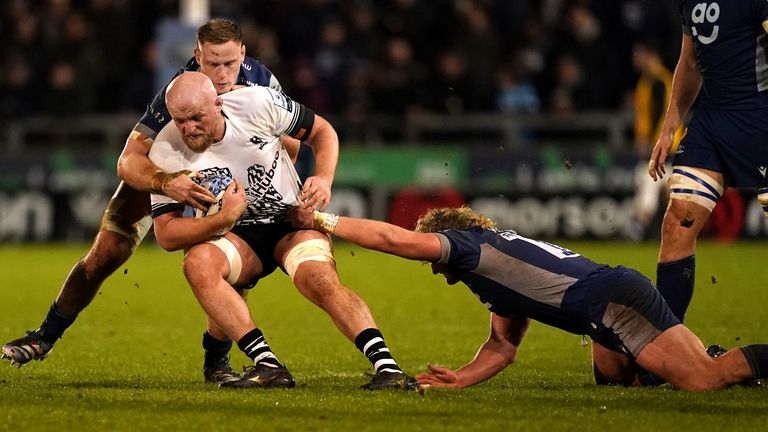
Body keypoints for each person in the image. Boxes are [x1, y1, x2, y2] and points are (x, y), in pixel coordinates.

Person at [1, 19, 291, 385]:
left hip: (233, 172)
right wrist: (168, 183)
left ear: (243, 54)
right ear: (196, 55)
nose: (220, 74)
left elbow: (291, 140)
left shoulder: (263, 82)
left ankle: (216, 362)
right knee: (107, 250)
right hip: (173, 169)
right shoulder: (178, 90)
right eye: (211, 63)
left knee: (229, 267)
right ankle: (45, 336)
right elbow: (128, 161)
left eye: (228, 64)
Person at [288, 205, 768, 391]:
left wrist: (320, 221)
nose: (435, 269)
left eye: (434, 258)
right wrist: (460, 379)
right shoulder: (490, 273)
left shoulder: (470, 247)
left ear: (446, 241)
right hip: (603, 307)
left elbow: (394, 241)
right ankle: (696, 353)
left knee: (702, 381)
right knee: (618, 384)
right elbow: (503, 347)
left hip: (612, 302)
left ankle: (720, 361)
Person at [147, 71, 419, 391]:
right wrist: (220, 221)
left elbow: (322, 132)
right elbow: (166, 235)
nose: (187, 128)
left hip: (292, 222)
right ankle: (268, 365)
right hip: (235, 235)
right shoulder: (165, 151)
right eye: (179, 121)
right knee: (197, 265)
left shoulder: (257, 103)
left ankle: (388, 368)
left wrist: (323, 178)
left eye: (196, 117)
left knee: (318, 279)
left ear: (217, 103)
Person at [648, 1, 768, 323]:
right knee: (677, 222)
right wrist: (668, 129)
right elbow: (689, 64)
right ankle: (666, 347)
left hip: (760, 120)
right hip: (711, 123)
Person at [629, 42, 677, 241]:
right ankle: (673, 232)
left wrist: (652, 143)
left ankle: (638, 227)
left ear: (650, 54)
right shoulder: (648, 81)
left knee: (648, 184)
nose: (635, 59)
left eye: (638, 54)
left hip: (663, 148)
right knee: (668, 192)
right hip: (663, 148)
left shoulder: (660, 81)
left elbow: (662, 116)